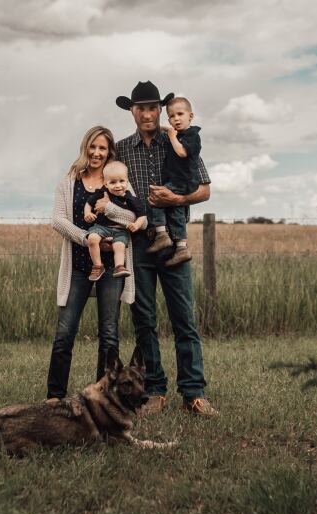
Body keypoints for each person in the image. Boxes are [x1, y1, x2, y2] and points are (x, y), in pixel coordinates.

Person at [111, 80, 218, 416]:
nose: (147, 114)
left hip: (174, 242)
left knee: (184, 318)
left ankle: (194, 393)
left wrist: (178, 198)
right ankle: (155, 391)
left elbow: (205, 189)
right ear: (132, 111)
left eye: (152, 107)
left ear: (160, 109)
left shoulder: (179, 137)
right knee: (144, 320)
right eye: (140, 108)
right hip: (138, 244)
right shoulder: (122, 149)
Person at [47, 126, 146, 401]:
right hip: (79, 267)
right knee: (64, 334)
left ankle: (101, 397)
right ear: (85, 147)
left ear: (109, 152)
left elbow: (138, 217)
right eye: (93, 146)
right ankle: (55, 397)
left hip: (113, 270)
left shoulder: (117, 179)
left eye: (102, 148)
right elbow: (58, 219)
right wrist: (85, 238)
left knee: (109, 335)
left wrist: (108, 208)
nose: (96, 153)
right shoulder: (70, 181)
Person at [146, 96, 202, 267]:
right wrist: (158, 128)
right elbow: (169, 130)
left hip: (183, 181)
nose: (176, 119)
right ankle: (181, 248)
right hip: (180, 181)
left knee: (156, 197)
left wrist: (171, 135)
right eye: (171, 116)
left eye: (180, 114)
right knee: (176, 212)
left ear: (190, 116)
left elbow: (182, 153)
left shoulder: (192, 135)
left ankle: (162, 235)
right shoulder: (178, 132)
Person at [84, 161, 148, 281]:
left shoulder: (130, 199)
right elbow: (89, 203)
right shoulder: (102, 193)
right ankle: (98, 266)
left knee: (119, 246)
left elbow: (142, 215)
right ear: (105, 183)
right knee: (92, 239)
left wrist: (136, 224)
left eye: (122, 181)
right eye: (113, 182)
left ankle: (119, 267)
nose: (118, 185)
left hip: (120, 231)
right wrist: (87, 213)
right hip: (101, 227)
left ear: (127, 181)